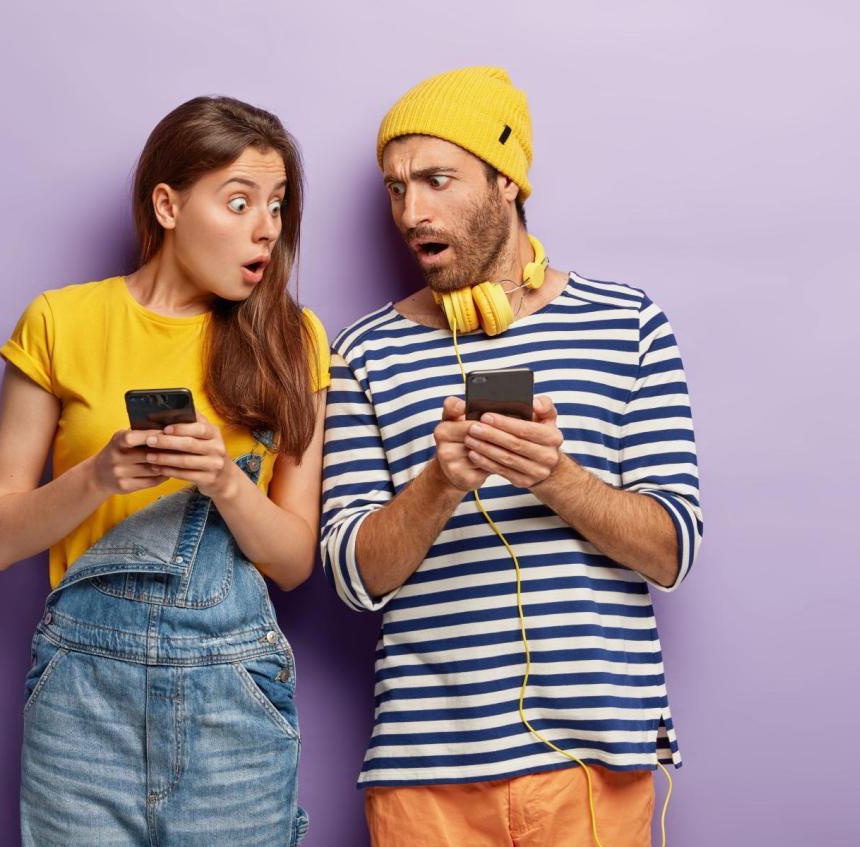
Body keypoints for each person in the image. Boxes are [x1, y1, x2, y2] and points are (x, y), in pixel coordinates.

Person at [320, 67, 703, 846]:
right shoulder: (361, 352)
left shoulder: (630, 324)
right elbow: (353, 577)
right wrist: (441, 482)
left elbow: (673, 550)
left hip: (595, 766)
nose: (411, 211)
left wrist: (552, 476)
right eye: (396, 188)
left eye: (436, 180)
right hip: (423, 777)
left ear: (506, 182)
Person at [0, 95, 328, 846]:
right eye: (239, 202)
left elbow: (295, 561)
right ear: (167, 204)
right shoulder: (60, 321)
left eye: (276, 204)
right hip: (82, 700)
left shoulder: (292, 341)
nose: (266, 227)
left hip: (235, 696)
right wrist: (99, 476)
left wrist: (227, 483)